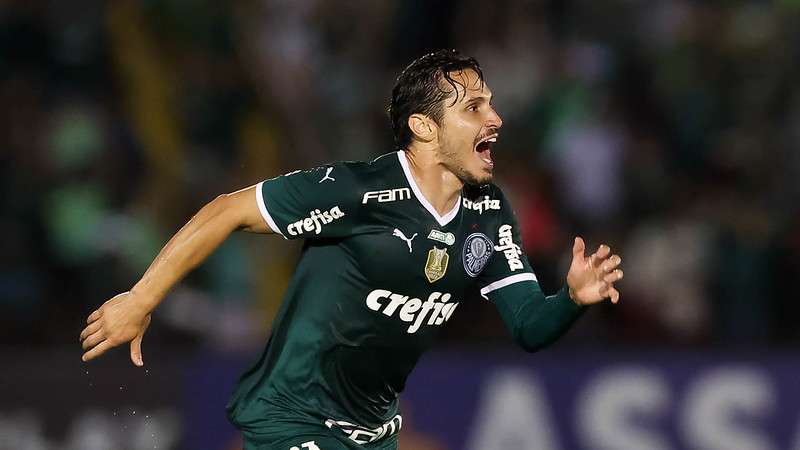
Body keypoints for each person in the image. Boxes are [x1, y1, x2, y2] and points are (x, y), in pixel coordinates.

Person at [79, 49, 623, 450]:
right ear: (424, 128)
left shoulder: (488, 210)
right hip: (291, 416)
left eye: (492, 104)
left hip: (374, 434)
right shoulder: (359, 190)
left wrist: (571, 299)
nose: (495, 119)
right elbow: (228, 209)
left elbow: (528, 325)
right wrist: (140, 298)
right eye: (474, 107)